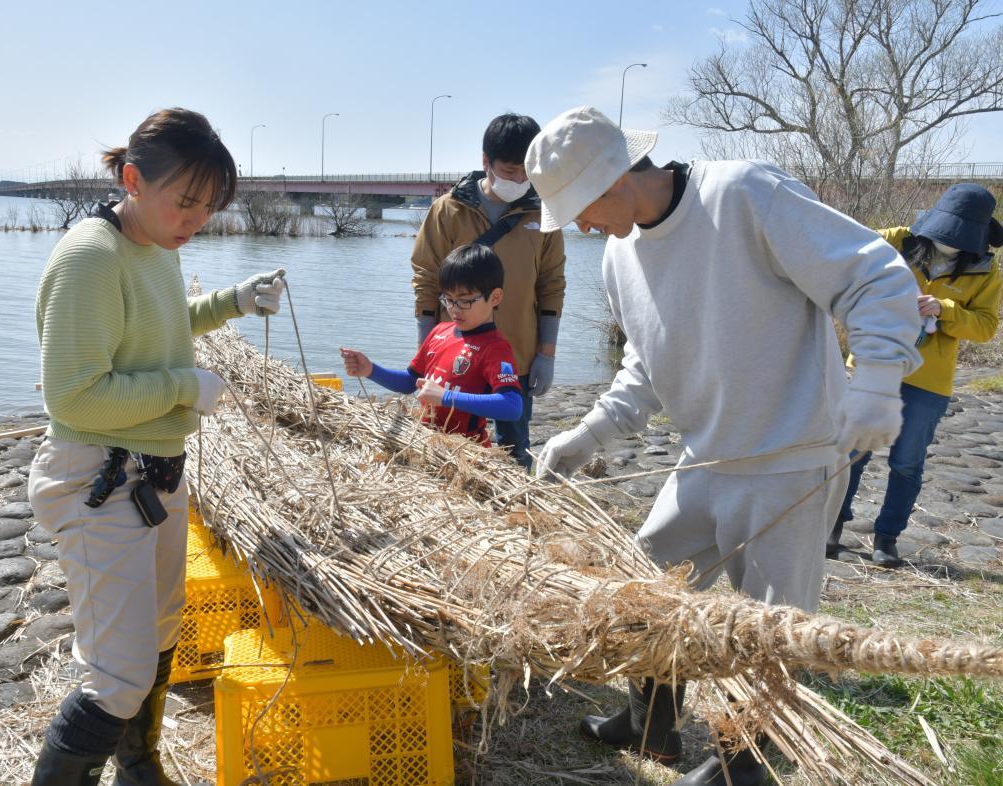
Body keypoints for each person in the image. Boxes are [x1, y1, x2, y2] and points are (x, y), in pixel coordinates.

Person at [525, 106, 922, 785]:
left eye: (580, 208)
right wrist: (587, 433)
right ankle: (651, 723)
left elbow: (875, 275)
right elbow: (646, 368)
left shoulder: (743, 195)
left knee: (769, 632)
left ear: (617, 176)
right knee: (640, 585)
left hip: (790, 460)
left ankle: (750, 765)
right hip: (705, 461)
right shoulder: (620, 255)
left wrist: (879, 382)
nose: (581, 227)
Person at [28, 108, 287, 786]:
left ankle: (140, 767)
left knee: (164, 631)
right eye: (187, 201)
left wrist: (234, 299)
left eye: (209, 206)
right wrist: (183, 386)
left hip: (155, 475)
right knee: (117, 672)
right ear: (133, 178)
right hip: (99, 476)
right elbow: (75, 396)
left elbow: (165, 327)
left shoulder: (154, 245)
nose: (197, 218)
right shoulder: (92, 255)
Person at [830, 184, 1003, 567]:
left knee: (907, 462)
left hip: (929, 382)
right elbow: (844, 258)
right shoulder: (897, 241)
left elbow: (986, 327)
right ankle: (832, 526)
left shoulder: (986, 271)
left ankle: (887, 538)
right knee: (852, 452)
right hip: (872, 365)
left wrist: (944, 309)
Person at [411, 113, 566, 467]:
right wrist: (425, 349)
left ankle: (514, 514)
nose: (521, 180)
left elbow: (552, 285)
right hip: (456, 356)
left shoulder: (543, 216)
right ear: (486, 162)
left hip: (517, 356)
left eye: (528, 172)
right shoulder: (448, 211)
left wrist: (547, 354)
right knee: (448, 447)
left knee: (514, 451)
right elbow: (425, 281)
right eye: (511, 171)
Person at [343, 243, 523, 445]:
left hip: (465, 451)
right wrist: (370, 370)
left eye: (464, 301)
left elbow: (512, 406)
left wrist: (445, 396)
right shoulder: (439, 331)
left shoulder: (495, 348)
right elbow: (410, 381)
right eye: (448, 299)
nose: (454, 309)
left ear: (495, 297)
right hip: (425, 443)